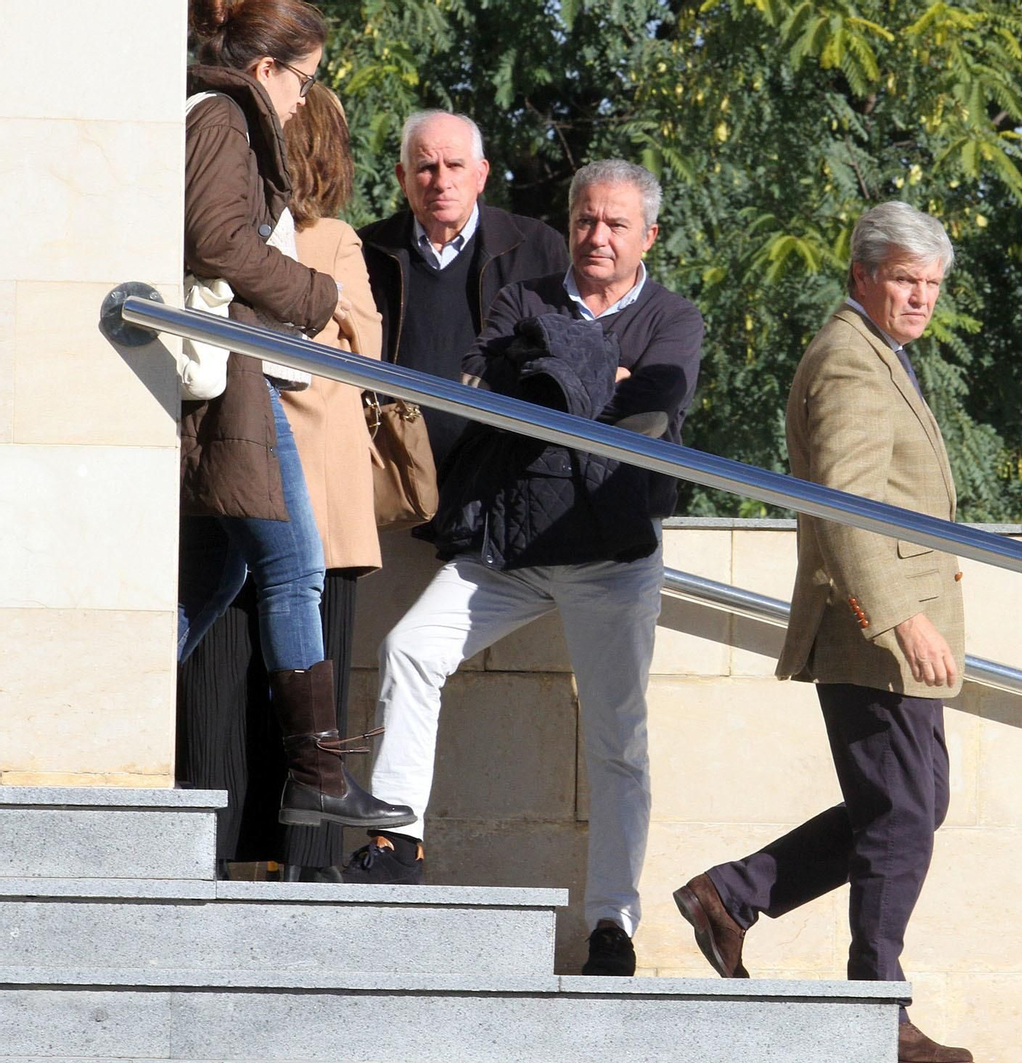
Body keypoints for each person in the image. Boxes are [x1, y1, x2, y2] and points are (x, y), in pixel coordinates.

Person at [344, 160, 705, 981]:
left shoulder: (674, 316)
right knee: (408, 647)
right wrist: (591, 379)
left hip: (612, 557)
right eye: (585, 219)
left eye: (616, 224)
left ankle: (611, 922)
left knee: (620, 742)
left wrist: (560, 376)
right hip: (509, 548)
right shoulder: (524, 297)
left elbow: (652, 406)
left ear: (648, 235)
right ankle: (397, 839)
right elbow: (488, 385)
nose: (597, 236)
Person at [671, 202, 973, 1062]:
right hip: (874, 632)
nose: (921, 299)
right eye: (906, 281)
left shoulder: (881, 355)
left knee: (910, 806)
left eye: (932, 285)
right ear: (861, 277)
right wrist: (902, 616)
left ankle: (732, 894)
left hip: (885, 627)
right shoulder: (850, 361)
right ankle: (876, 1008)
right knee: (903, 814)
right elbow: (845, 505)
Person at [180, 0, 412, 834]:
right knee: (295, 569)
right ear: (267, 68)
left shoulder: (220, 114)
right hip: (237, 374)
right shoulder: (223, 115)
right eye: (303, 82)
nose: (304, 102)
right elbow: (215, 239)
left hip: (239, 372)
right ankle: (317, 771)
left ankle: (97, 709)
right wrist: (316, 295)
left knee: (217, 578)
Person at [358, 110, 568, 468]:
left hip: (502, 475)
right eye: (426, 167)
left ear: (481, 174)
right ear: (401, 178)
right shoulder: (367, 251)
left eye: (455, 165)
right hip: (394, 474)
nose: (441, 182)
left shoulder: (537, 248)